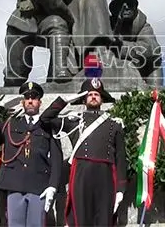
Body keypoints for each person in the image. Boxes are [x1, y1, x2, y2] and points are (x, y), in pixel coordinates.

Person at [0, 81, 83, 227]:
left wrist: (52, 186)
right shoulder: (11, 124)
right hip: (14, 185)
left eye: (34, 98)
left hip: (38, 186)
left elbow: (56, 160)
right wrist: (1, 105)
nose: (30, 101)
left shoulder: (47, 126)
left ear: (40, 102)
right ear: (22, 102)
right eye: (27, 98)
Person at [41, 78, 128, 227]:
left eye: (97, 94)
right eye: (90, 94)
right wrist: (63, 101)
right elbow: (45, 119)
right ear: (83, 99)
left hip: (105, 176)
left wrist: (120, 189)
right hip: (81, 174)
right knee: (80, 218)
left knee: (104, 219)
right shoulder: (74, 121)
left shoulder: (114, 124)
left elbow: (121, 158)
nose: (93, 96)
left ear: (102, 99)